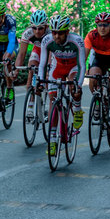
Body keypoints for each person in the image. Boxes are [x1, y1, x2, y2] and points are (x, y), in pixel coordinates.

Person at [37, 15, 86, 156]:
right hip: (57, 68)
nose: (57, 36)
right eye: (54, 32)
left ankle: (77, 110)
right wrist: (40, 81)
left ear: (67, 32)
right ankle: (52, 141)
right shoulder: (47, 40)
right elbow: (42, 64)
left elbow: (82, 66)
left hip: (73, 68)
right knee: (53, 99)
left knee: (73, 88)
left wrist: (79, 85)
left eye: (60, 33)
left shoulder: (76, 41)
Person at [84, 12, 110, 138]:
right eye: (100, 25)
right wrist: (80, 70)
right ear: (96, 25)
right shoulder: (91, 35)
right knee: (93, 78)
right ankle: (97, 103)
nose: (102, 28)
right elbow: (84, 55)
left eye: (106, 25)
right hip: (99, 59)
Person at [14, 10, 51, 118]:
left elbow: (51, 56)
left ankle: (49, 101)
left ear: (46, 26)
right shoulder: (27, 33)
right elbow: (21, 54)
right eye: (34, 28)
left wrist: (48, 70)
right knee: (32, 70)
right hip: (38, 50)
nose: (37, 31)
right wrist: (16, 69)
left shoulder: (50, 33)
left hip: (49, 52)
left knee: (48, 76)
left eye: (40, 28)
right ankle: (31, 103)